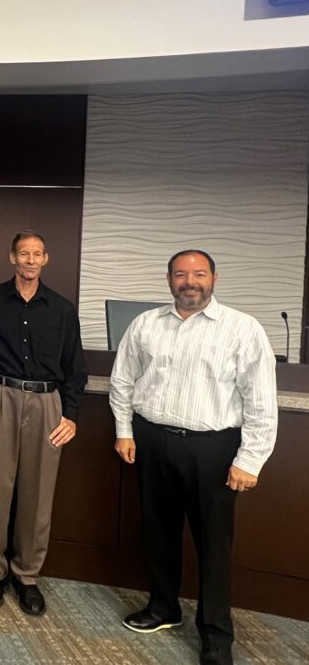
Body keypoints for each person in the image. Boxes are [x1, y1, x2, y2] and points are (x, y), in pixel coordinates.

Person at [109, 250, 277, 665]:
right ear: (169, 279)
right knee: (158, 532)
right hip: (153, 441)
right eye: (181, 274)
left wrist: (250, 460)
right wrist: (125, 432)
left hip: (214, 449)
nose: (190, 281)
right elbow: (122, 381)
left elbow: (261, 402)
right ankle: (164, 607)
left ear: (214, 278)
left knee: (213, 545)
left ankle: (216, 636)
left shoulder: (243, 329)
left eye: (198, 274)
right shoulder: (146, 324)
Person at [0, 230, 86, 616]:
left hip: (47, 402)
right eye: (24, 254)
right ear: (12, 258)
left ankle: (27, 575)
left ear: (46, 259)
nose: (31, 260)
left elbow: (75, 369)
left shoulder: (63, 310)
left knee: (38, 494)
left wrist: (71, 414)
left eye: (37, 254)